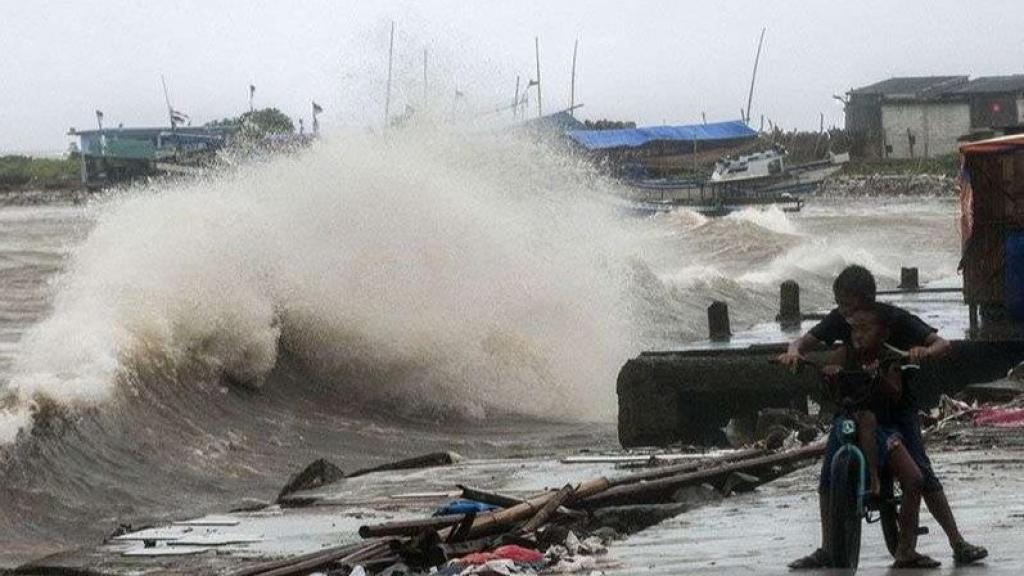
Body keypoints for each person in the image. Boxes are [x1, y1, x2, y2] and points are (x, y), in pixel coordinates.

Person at [782, 265, 987, 569]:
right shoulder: (841, 321)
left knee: (921, 472)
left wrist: (922, 352)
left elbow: (941, 344)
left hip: (895, 409)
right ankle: (828, 547)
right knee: (827, 475)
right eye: (841, 307)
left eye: (849, 307)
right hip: (857, 406)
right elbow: (803, 343)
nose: (846, 317)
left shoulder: (894, 320)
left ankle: (957, 541)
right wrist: (794, 352)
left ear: (868, 301)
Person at [823, 305, 935, 567]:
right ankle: (831, 541)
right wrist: (830, 375)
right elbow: (829, 382)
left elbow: (895, 393)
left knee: (915, 479)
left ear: (882, 334)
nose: (858, 335)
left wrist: (878, 377)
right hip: (848, 424)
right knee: (830, 474)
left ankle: (906, 549)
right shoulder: (843, 354)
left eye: (865, 329)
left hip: (883, 431)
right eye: (854, 330)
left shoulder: (887, 358)